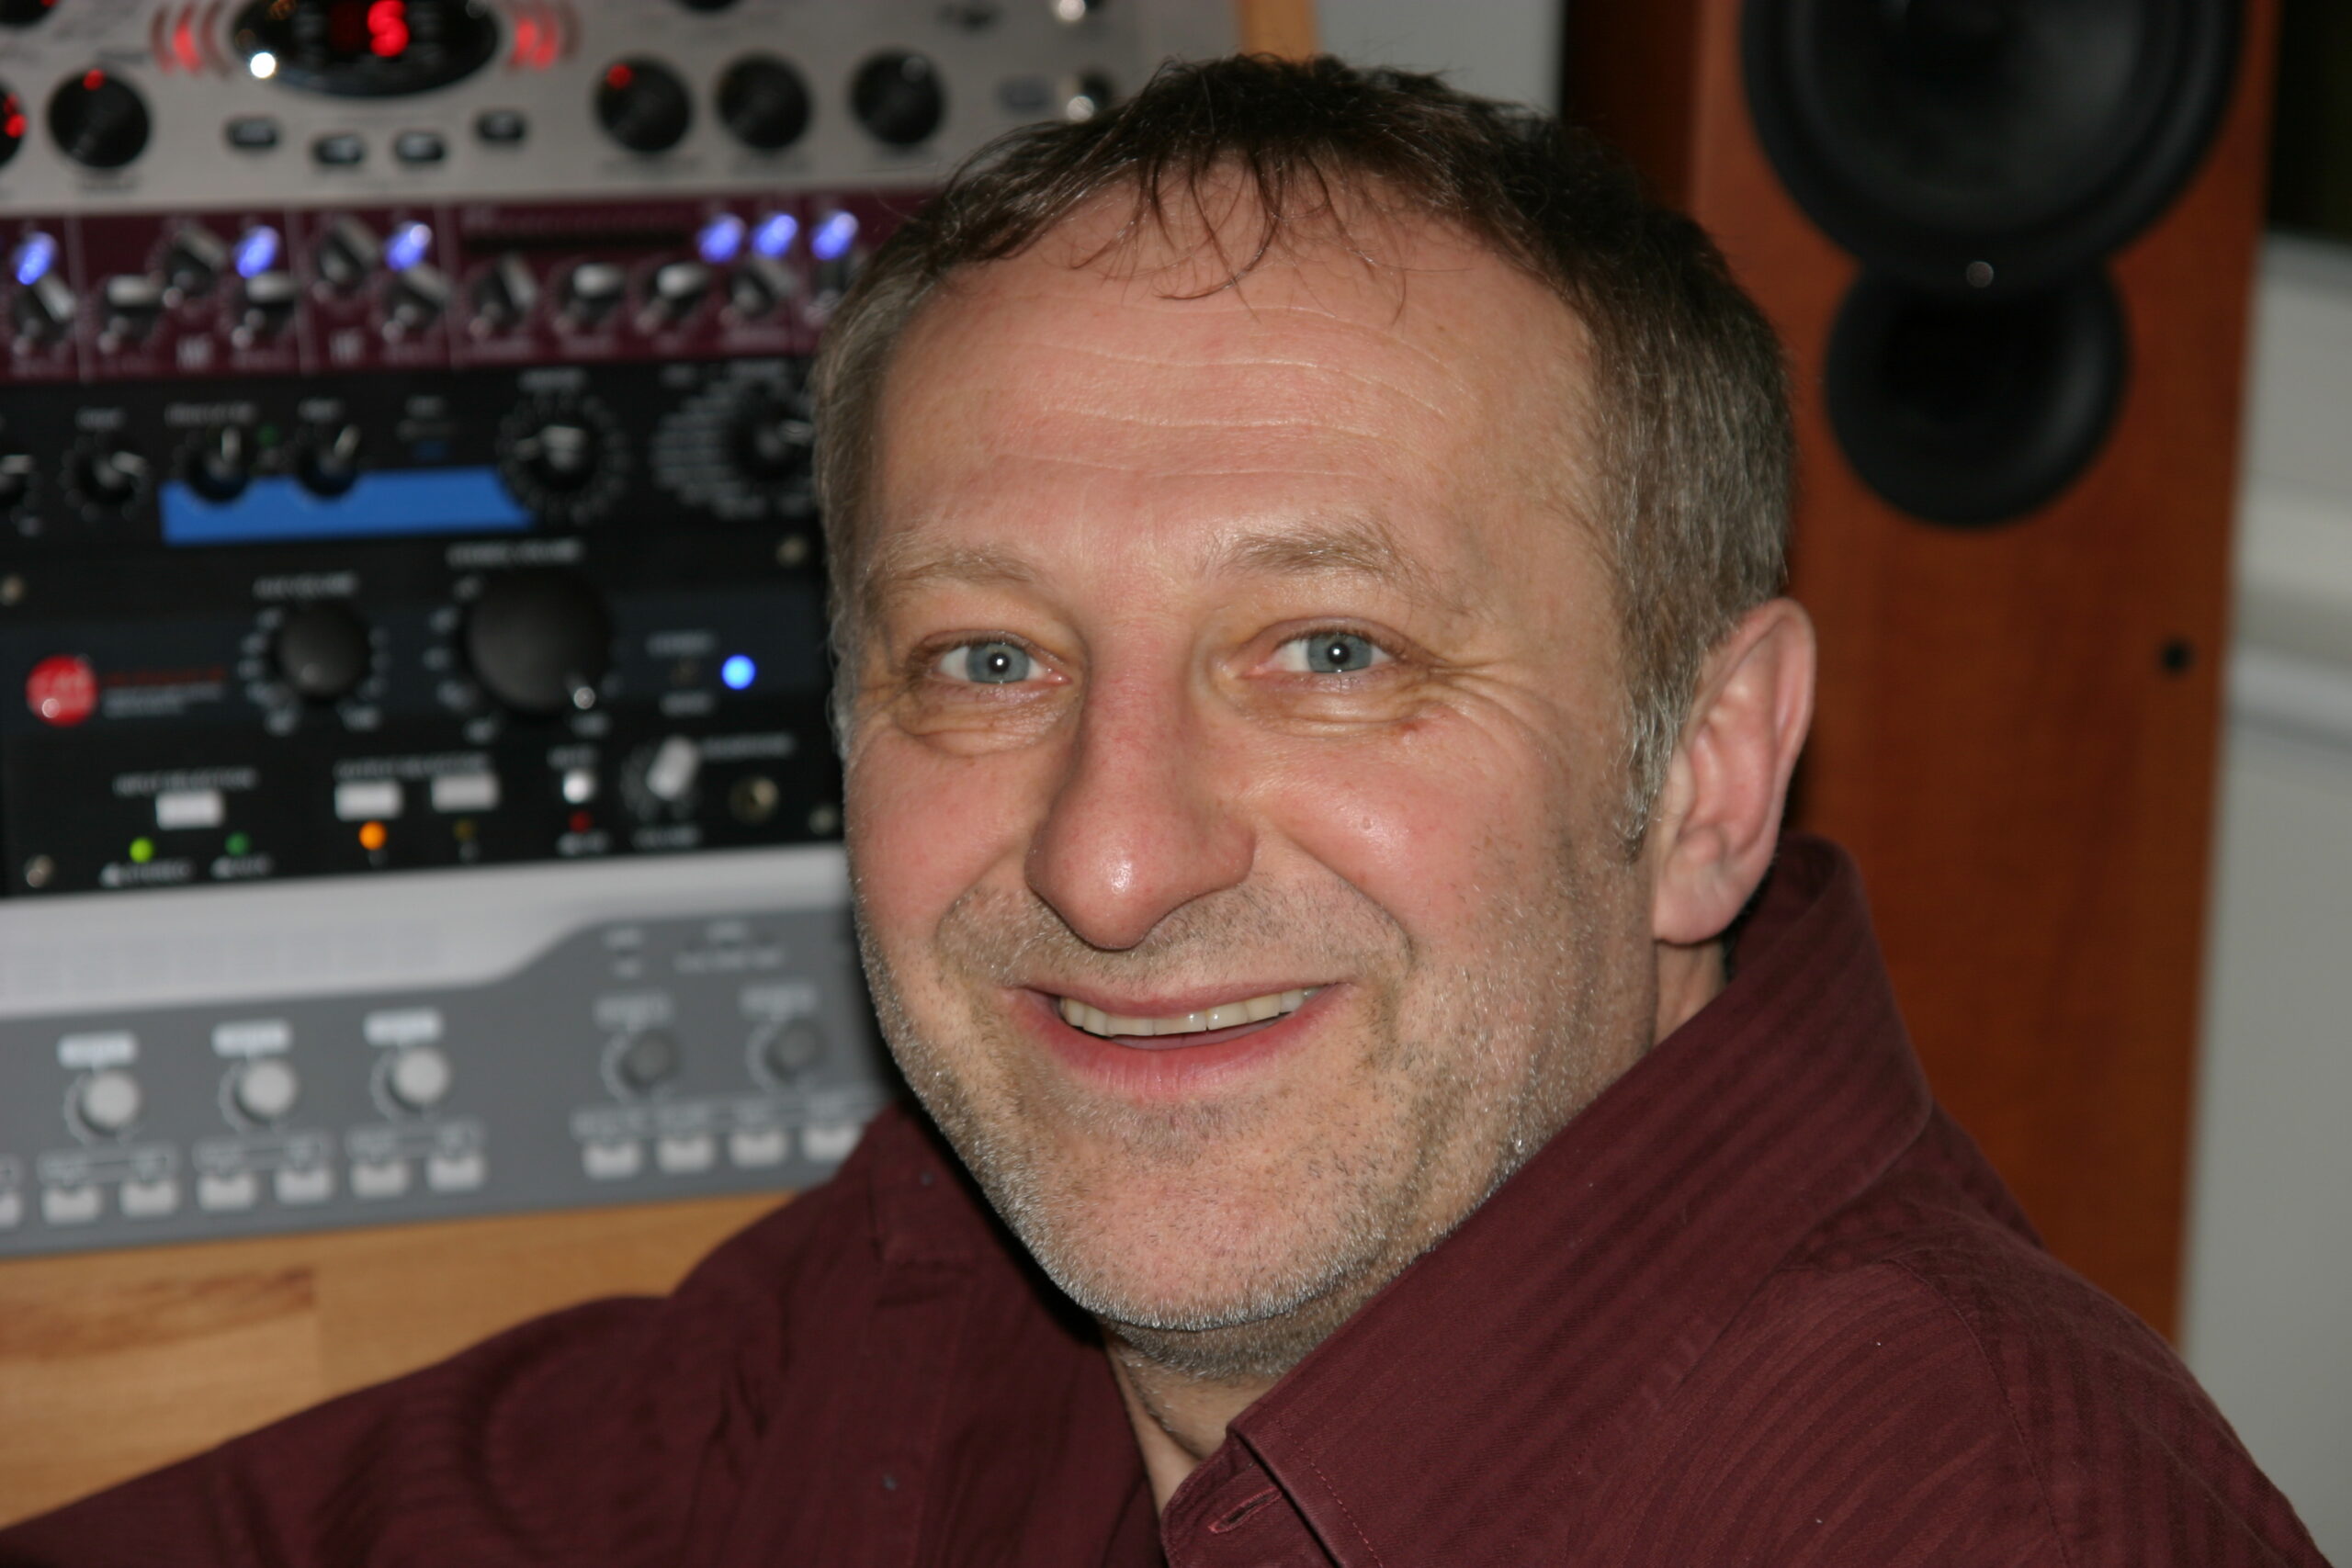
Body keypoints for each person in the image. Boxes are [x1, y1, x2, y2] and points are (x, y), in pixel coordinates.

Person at [0, 54, 2326, 1568]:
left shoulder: (1975, 1517)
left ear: (1704, 769)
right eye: (985, 661)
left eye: (1330, 652)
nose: (1107, 867)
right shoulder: (959, 1263)